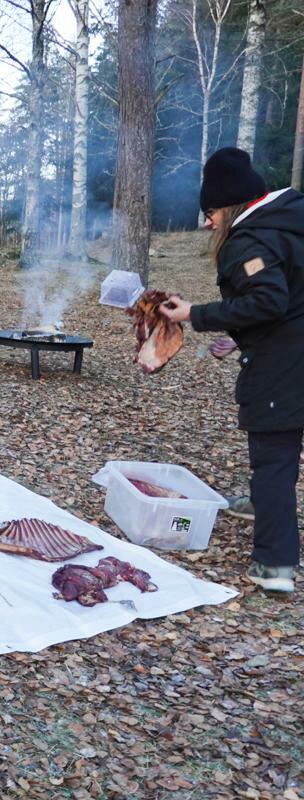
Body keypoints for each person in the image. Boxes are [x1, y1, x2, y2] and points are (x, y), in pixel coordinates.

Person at [160, 146, 303, 593]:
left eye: (212, 212)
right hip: (291, 350)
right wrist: (239, 335)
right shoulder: (290, 223)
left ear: (232, 205)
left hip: (287, 365)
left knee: (274, 460)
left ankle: (275, 567)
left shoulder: (251, 239)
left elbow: (268, 299)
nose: (208, 222)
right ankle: (264, 507)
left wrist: (194, 314)